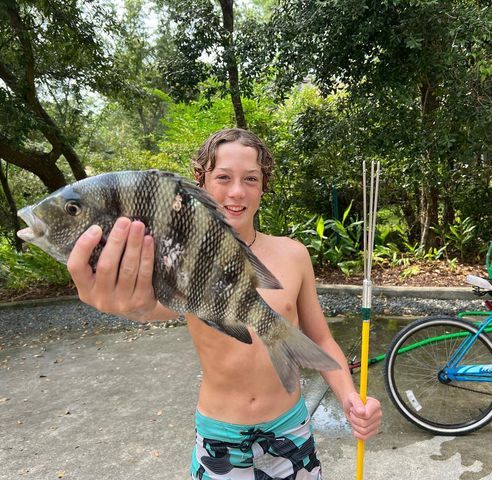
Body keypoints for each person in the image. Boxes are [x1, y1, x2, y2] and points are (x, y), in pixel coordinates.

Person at [67, 128, 382, 479]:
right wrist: (125, 304)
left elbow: (321, 339)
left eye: (250, 179)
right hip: (220, 437)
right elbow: (149, 308)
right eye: (223, 177)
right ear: (201, 182)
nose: (236, 191)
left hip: (291, 429)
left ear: (264, 185)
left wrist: (350, 396)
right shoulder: (178, 254)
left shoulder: (294, 254)